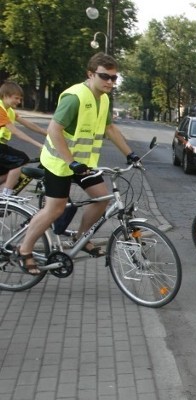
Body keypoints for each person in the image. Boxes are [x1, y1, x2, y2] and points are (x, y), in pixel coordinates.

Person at [14, 53, 139, 275]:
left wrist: (130, 154)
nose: (110, 82)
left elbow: (110, 129)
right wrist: (70, 162)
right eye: (105, 76)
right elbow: (54, 130)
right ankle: (24, 249)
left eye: (114, 78)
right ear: (90, 74)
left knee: (102, 197)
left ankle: (81, 238)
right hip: (58, 163)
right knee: (55, 209)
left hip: (82, 164)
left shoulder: (103, 99)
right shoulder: (75, 97)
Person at [0, 81, 48, 195]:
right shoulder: (0, 109)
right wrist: (39, 145)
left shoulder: (9, 110)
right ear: (5, 95)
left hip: (2, 146)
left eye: (20, 99)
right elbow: (16, 132)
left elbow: (29, 124)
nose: (19, 101)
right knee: (21, 160)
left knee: (9, 173)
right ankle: (6, 195)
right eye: (16, 98)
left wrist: (47, 134)